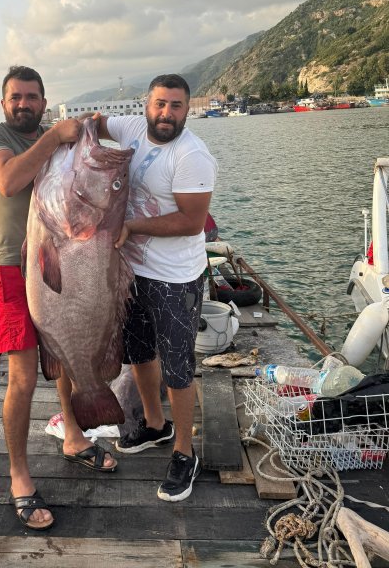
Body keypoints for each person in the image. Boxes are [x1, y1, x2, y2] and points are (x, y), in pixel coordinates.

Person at [0, 65, 117, 531]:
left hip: (59, 261)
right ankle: (19, 475)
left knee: (65, 351)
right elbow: (8, 181)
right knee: (21, 375)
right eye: (16, 97)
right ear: (4, 103)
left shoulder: (54, 141)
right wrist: (55, 136)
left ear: (43, 101)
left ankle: (73, 436)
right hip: (10, 268)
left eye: (32, 97)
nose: (24, 104)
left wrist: (89, 132)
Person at [93, 73, 217, 502]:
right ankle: (154, 424)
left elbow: (192, 221)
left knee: (178, 366)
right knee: (139, 353)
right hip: (133, 272)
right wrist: (58, 137)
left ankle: (184, 451)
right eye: (160, 104)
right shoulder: (130, 127)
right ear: (146, 105)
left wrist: (131, 226)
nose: (167, 113)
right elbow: (93, 124)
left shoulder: (192, 156)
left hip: (175, 277)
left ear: (187, 110)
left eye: (176, 106)